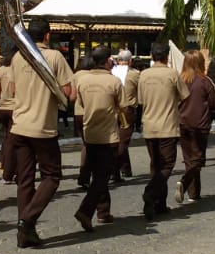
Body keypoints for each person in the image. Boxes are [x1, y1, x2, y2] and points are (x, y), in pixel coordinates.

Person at [8, 18, 75, 248]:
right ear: (47, 35)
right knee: (52, 176)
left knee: (24, 180)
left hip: (19, 126)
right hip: (43, 128)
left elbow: (14, 88)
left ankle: (25, 232)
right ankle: (27, 221)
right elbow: (69, 93)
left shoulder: (19, 56)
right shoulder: (55, 57)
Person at [72, 46, 123, 230]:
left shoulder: (82, 80)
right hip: (108, 135)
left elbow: (81, 104)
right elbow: (122, 105)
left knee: (98, 173)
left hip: (90, 133)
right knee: (103, 176)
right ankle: (86, 210)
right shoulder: (114, 81)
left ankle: (103, 212)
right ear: (108, 60)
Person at [137, 42, 188, 220]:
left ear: (152, 56)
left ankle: (159, 204)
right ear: (167, 57)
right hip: (168, 127)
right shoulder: (172, 74)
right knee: (167, 165)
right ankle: (150, 194)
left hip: (149, 126)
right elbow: (185, 96)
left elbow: (141, 100)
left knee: (156, 165)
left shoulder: (143, 75)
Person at [176, 50, 215, 204]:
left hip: (182, 124)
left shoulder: (179, 80)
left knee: (189, 159)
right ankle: (185, 182)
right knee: (198, 159)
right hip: (200, 125)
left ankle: (194, 193)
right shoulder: (205, 81)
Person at [111, 49, 139, 181]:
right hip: (127, 110)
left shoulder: (111, 72)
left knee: (118, 139)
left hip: (112, 109)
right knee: (123, 141)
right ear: (130, 61)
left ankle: (125, 168)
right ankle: (113, 168)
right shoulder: (135, 74)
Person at [72, 54, 98, 189]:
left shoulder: (76, 75)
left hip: (78, 112)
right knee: (92, 145)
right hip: (91, 110)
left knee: (86, 144)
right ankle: (86, 175)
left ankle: (85, 175)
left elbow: (72, 96)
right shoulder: (94, 76)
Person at [0, 50, 18, 184]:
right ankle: (10, 170)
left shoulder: (0, 70)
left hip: (3, 107)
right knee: (13, 141)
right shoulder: (18, 70)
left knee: (6, 137)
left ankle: (2, 162)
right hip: (15, 108)